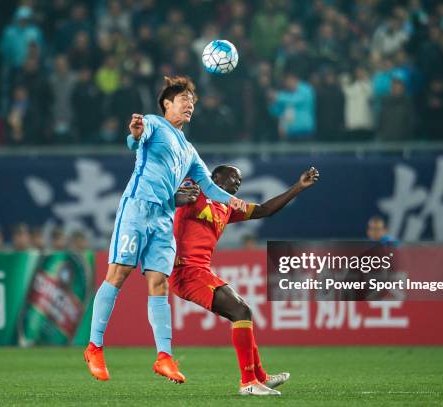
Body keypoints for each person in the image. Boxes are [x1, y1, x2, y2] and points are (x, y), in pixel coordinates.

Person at [84, 76, 247, 384]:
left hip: (163, 218)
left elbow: (209, 187)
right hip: (137, 210)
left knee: (159, 283)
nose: (189, 105)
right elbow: (135, 139)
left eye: (192, 102)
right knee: (118, 273)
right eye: (184, 99)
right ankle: (94, 347)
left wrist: (234, 201)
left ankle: (164, 357)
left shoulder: (189, 150)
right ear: (167, 104)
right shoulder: (154, 124)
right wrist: (134, 135)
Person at [171, 165, 319, 395]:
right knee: (241, 311)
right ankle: (248, 382)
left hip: (199, 271)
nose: (238, 180)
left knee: (243, 312)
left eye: (240, 178)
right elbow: (168, 198)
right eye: (234, 176)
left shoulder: (227, 207)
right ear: (216, 178)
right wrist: (177, 197)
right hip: (184, 270)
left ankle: (259, 377)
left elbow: (264, 210)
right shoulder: (196, 192)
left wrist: (299, 186)